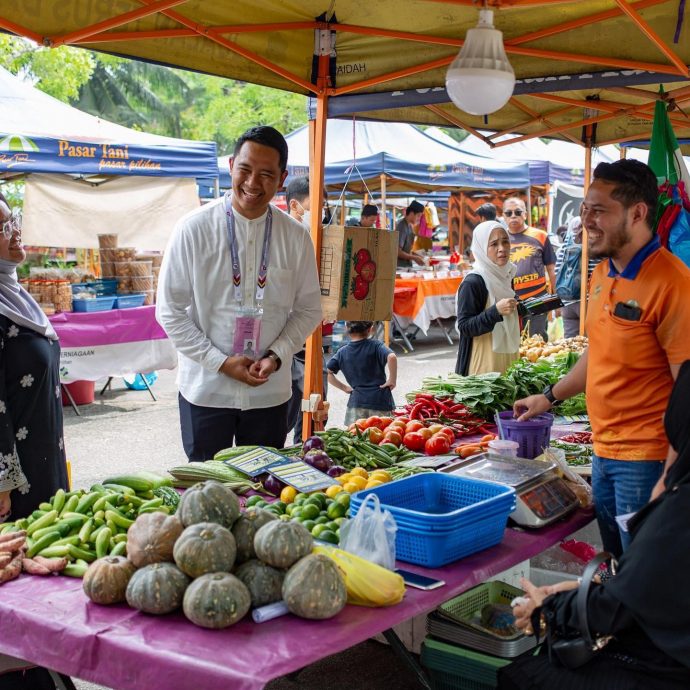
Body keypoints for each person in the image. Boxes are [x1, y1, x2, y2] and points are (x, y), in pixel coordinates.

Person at [513, 159, 690, 559]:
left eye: (599, 210)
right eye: (584, 208)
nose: (585, 220)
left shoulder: (673, 283)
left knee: (645, 581)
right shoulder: (603, 273)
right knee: (614, 567)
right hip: (603, 452)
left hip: (647, 461)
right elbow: (601, 351)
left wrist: (672, 474)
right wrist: (549, 396)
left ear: (638, 212)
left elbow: (688, 390)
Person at [499, 361, 690, 690]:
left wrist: (550, 609)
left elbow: (620, 607)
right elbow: (646, 587)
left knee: (524, 676)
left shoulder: (680, 512)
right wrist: (582, 590)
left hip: (671, 666)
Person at [156, 126, 322, 460]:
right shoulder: (193, 228)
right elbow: (169, 310)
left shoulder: (296, 236)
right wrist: (220, 362)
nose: (252, 183)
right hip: (206, 389)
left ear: (282, 178)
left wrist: (275, 357)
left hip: (269, 392)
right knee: (206, 492)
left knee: (264, 491)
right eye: (244, 170)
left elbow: (309, 309)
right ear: (231, 165)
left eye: (265, 174)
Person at [0, 195, 68, 522]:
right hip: (15, 485)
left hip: (44, 459)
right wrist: (2, 483)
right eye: (2, 228)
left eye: (13, 220)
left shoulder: (16, 297)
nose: (15, 232)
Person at [284, 175, 330, 444]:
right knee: (289, 410)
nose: (322, 212)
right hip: (289, 344)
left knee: (315, 411)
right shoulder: (282, 240)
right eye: (316, 205)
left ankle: (307, 448)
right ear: (295, 206)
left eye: (324, 206)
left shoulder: (316, 238)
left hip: (315, 339)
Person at [455, 221, 519, 376]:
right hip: (481, 364)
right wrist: (495, 311)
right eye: (494, 244)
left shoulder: (506, 275)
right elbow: (464, 327)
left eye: (505, 242)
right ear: (482, 248)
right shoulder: (473, 282)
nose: (502, 249)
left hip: (507, 358)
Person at [503, 196, 557, 340]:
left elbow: (552, 269)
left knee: (537, 343)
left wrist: (557, 298)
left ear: (525, 214)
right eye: (509, 213)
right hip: (510, 301)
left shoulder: (541, 236)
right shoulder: (500, 239)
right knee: (513, 346)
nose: (513, 216)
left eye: (518, 212)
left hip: (539, 297)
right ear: (503, 216)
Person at [327, 321, 396, 425]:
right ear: (370, 329)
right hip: (380, 400)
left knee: (357, 436)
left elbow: (328, 372)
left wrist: (344, 387)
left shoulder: (342, 352)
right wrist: (392, 379)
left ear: (346, 328)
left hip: (357, 401)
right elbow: (391, 357)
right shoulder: (376, 345)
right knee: (382, 435)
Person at [553, 216, 601, 338]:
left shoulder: (566, 244)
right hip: (588, 300)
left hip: (567, 302)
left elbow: (557, 270)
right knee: (591, 342)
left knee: (572, 344)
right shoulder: (595, 243)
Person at [396, 201, 426, 267]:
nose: (419, 219)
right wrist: (414, 258)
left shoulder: (409, 226)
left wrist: (417, 255)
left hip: (406, 266)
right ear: (412, 213)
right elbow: (397, 251)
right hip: (400, 267)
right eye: (418, 216)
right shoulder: (402, 226)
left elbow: (406, 249)